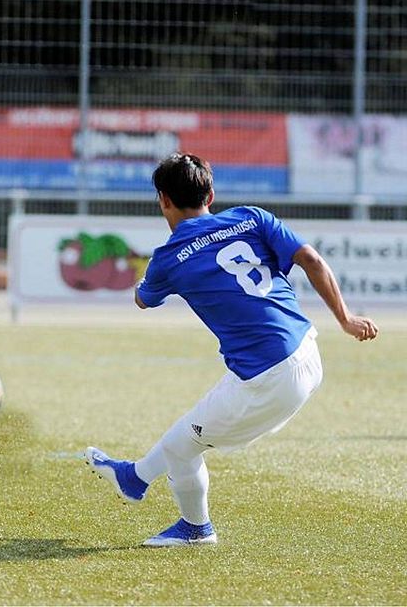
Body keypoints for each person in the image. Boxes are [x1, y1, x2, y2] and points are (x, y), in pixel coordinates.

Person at [85, 152, 378, 547]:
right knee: (190, 426)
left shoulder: (168, 258)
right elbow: (310, 259)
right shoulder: (252, 217)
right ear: (211, 192)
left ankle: (195, 528)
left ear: (163, 200)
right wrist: (344, 319)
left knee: (180, 449)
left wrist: (143, 282)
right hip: (307, 351)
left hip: (270, 379)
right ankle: (133, 478)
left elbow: (143, 300)